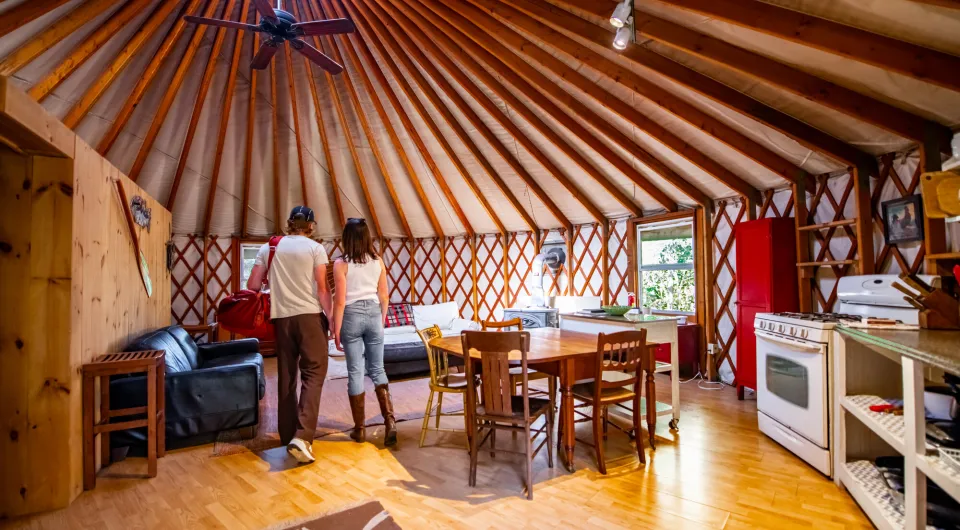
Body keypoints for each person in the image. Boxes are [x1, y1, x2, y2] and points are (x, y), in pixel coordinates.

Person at [247, 206, 331, 464]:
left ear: (289, 223)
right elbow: (322, 289)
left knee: (286, 375)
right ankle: (303, 437)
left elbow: (252, 285)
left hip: (281, 318)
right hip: (309, 318)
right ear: (311, 226)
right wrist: (333, 321)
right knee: (315, 372)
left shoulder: (269, 247)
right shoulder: (315, 249)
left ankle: (286, 435)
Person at [331, 218, 397, 447]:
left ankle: (360, 430)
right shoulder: (378, 261)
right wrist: (382, 317)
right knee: (378, 369)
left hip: (351, 315)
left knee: (356, 372)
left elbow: (339, 301)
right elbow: (385, 295)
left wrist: (336, 329)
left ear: (346, 238)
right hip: (374, 313)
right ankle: (390, 423)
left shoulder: (341, 263)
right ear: (367, 236)